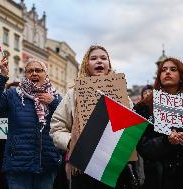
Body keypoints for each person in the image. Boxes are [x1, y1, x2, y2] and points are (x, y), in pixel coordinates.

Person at [50, 45, 139, 189]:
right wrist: (72, 143)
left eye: (103, 58)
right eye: (94, 58)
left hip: (113, 166)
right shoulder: (73, 94)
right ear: (87, 64)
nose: (99, 61)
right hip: (84, 166)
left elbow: (129, 129)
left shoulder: (122, 95)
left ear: (108, 65)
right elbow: (57, 127)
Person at [0, 58, 62, 189]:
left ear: (46, 74)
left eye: (38, 70)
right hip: (18, 164)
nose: (34, 73)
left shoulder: (56, 97)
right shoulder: (13, 95)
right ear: (25, 75)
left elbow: (69, 118)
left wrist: (54, 102)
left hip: (46, 163)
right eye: (30, 70)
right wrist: (2, 76)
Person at [135, 58, 183, 189]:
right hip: (157, 179)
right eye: (163, 70)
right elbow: (141, 146)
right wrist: (166, 142)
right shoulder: (145, 106)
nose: (168, 72)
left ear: (181, 77)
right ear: (159, 77)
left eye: (173, 69)